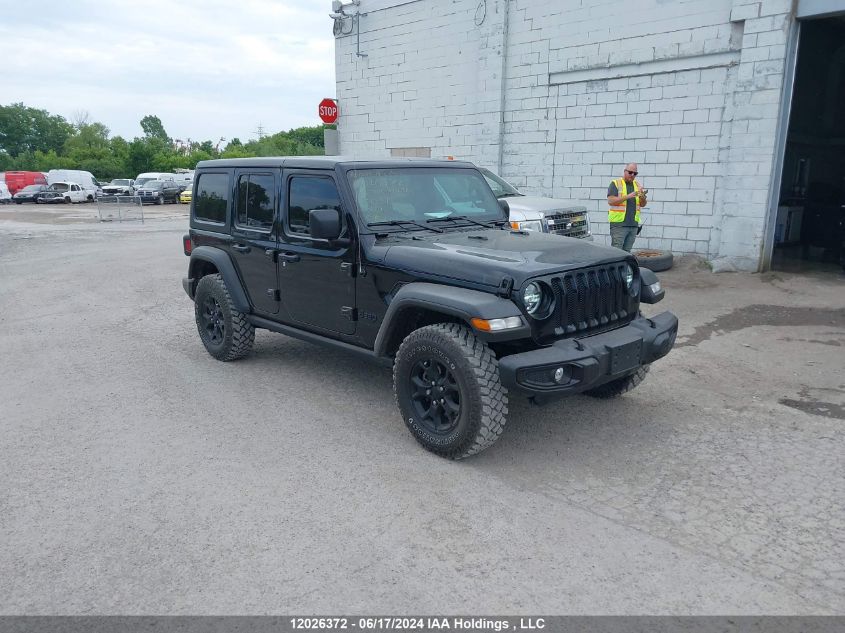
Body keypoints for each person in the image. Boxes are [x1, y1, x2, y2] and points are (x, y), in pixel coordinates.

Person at [607, 163, 647, 252]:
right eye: (630, 172)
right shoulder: (616, 183)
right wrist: (628, 196)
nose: (632, 175)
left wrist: (642, 197)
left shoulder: (637, 185)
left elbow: (643, 204)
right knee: (616, 252)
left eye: (635, 173)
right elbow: (611, 201)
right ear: (625, 171)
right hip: (619, 225)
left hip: (633, 225)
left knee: (627, 253)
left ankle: (624, 266)